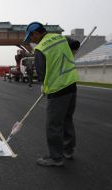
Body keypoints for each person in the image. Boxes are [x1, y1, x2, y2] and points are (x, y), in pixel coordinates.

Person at [23, 22, 80, 167]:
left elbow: (41, 74)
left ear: (36, 33)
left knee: (53, 124)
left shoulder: (40, 49)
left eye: (31, 36)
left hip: (57, 89)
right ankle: (68, 150)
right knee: (67, 119)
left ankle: (55, 158)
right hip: (71, 85)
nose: (31, 40)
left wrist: (44, 86)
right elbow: (76, 44)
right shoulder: (60, 38)